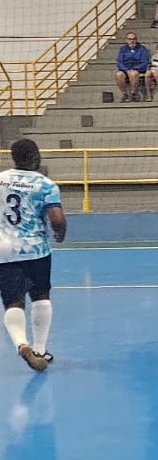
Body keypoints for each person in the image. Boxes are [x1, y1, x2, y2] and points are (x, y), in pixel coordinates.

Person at [0, 139, 67, 373]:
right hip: (36, 248)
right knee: (40, 296)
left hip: (4, 248)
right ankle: (39, 349)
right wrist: (60, 232)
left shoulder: (1, 178)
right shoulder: (45, 184)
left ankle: (22, 345)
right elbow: (56, 219)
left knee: (13, 302)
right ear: (36, 157)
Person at [115, 32, 149, 103]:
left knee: (133, 74)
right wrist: (126, 70)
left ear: (136, 40)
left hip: (138, 69)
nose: (132, 41)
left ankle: (133, 94)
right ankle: (125, 95)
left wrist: (135, 68)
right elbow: (119, 62)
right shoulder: (123, 49)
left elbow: (144, 62)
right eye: (130, 39)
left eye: (134, 39)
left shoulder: (142, 49)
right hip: (125, 69)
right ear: (126, 40)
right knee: (118, 74)